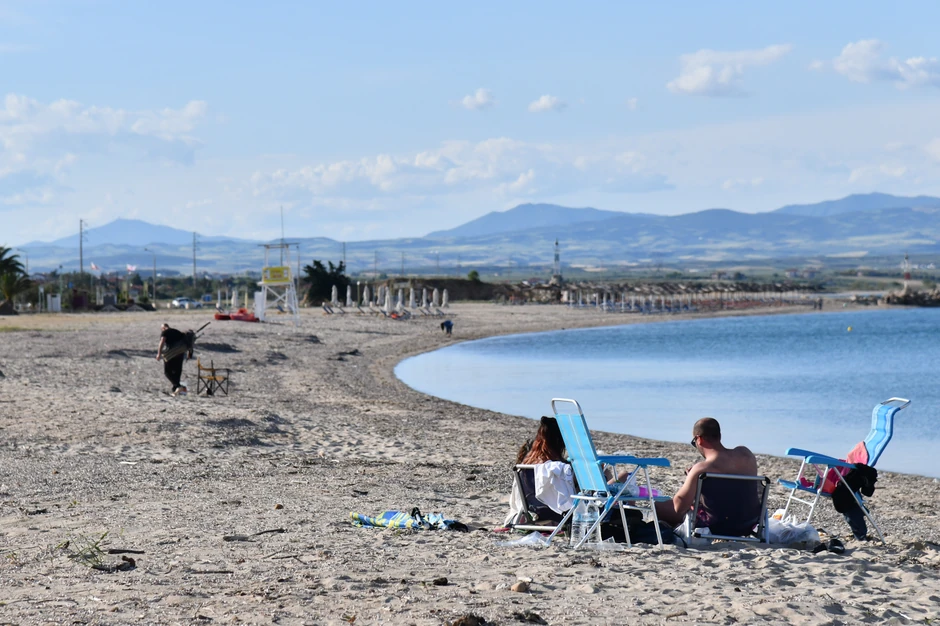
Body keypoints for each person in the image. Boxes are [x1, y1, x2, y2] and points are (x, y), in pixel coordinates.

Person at [655, 417, 759, 533]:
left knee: (658, 507)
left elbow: (679, 506)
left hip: (715, 526)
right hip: (748, 523)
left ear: (699, 439)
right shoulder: (746, 454)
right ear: (719, 436)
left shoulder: (701, 469)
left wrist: (691, 479)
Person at [156, 323, 193, 396]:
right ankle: (176, 389)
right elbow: (187, 341)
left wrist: (159, 353)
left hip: (172, 353)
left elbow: (162, 342)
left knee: (167, 372)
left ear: (163, 328)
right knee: (177, 371)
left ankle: (178, 387)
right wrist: (190, 353)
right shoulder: (176, 331)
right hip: (181, 352)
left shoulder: (165, 332)